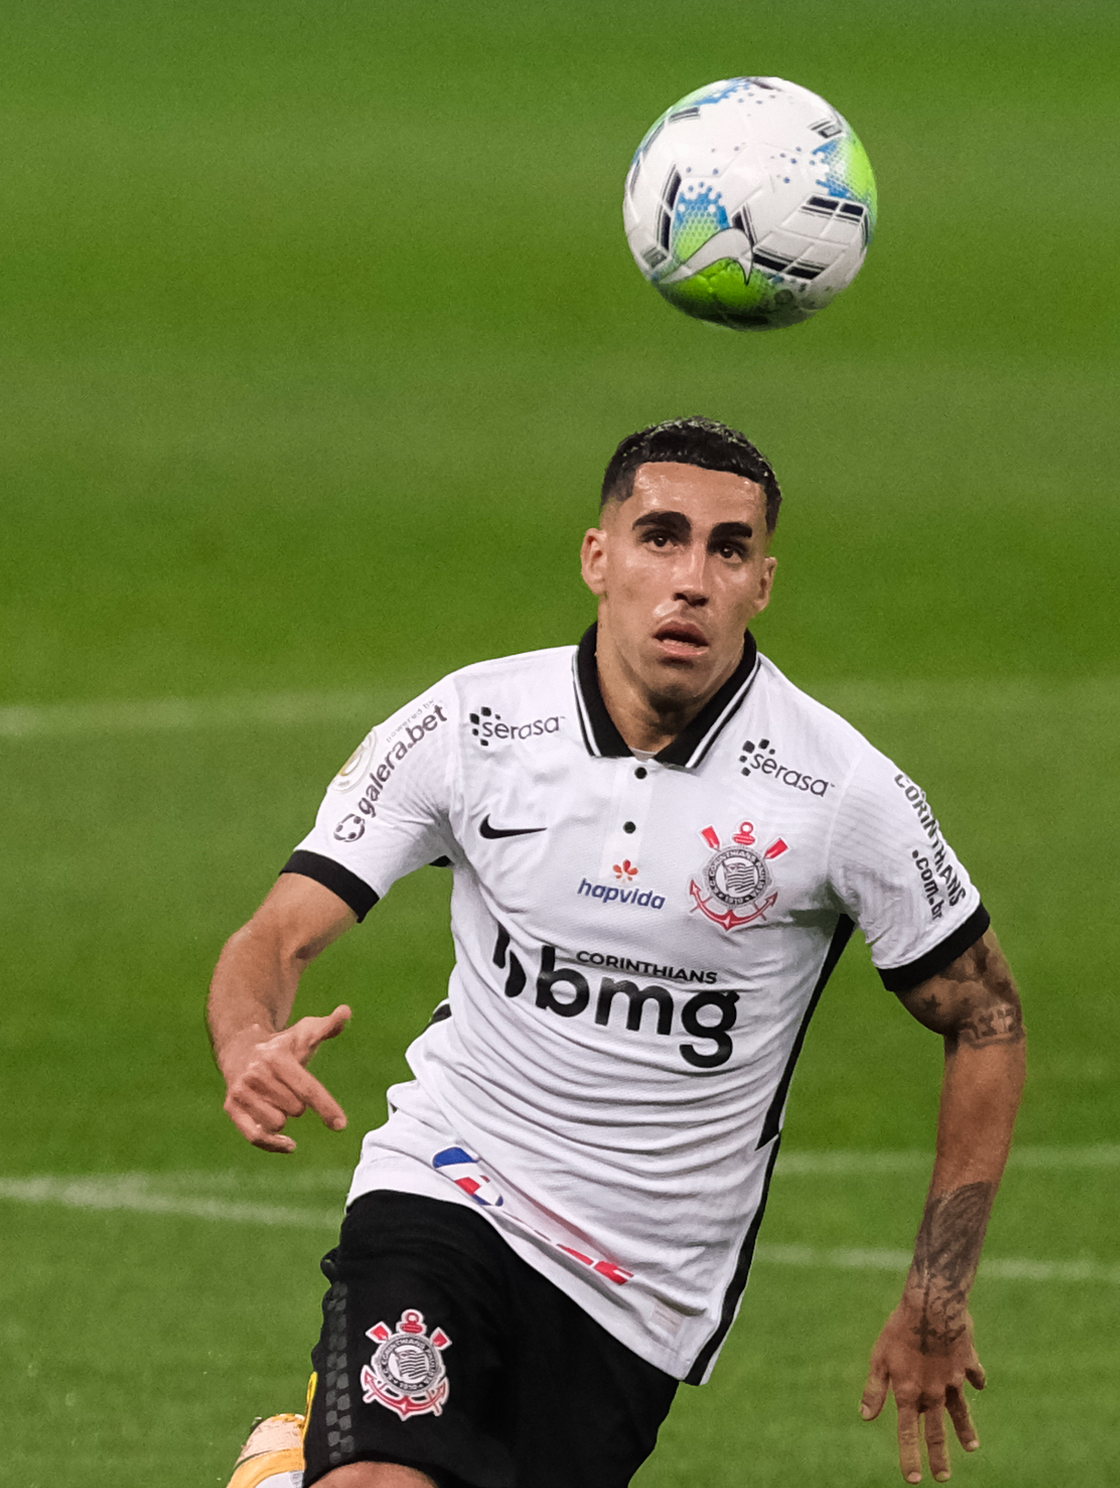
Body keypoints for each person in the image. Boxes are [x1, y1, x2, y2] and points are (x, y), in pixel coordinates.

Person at [207, 417, 1027, 1488]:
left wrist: (936, 1294)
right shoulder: (475, 725)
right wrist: (248, 1037)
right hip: (448, 1185)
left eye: (726, 550)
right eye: (660, 537)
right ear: (598, 559)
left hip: (638, 1292)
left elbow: (986, 1019)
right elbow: (277, 931)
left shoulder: (840, 792)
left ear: (762, 584)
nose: (689, 579)